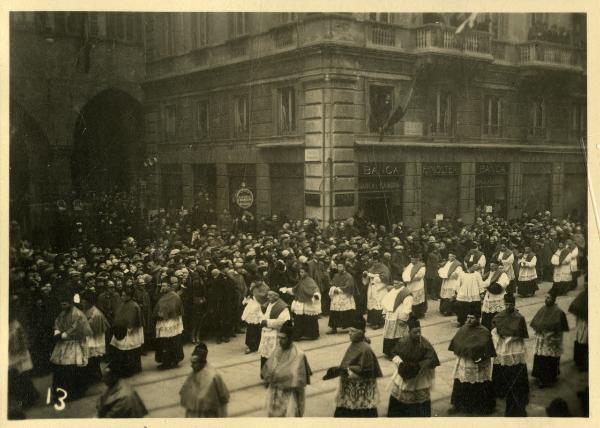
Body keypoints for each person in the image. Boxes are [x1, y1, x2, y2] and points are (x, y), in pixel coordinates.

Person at [387, 315, 440, 417]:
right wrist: (400, 363)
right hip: (403, 373)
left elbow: (431, 359)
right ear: (409, 332)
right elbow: (394, 353)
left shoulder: (425, 344)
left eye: (419, 331)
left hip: (419, 377)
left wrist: (419, 366)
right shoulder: (403, 341)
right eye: (415, 332)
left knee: (419, 400)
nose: (418, 334)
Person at [332, 316, 383, 417]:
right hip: (351, 387)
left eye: (352, 331)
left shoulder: (365, 349)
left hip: (360, 389)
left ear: (360, 333)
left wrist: (347, 371)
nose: (349, 333)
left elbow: (366, 371)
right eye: (349, 330)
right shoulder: (355, 344)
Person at [448, 312, 496, 415]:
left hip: (478, 363)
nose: (469, 320)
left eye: (472, 318)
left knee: (479, 384)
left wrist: (480, 357)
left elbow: (488, 349)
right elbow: (456, 343)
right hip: (465, 361)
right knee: (462, 381)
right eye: (468, 317)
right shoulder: (463, 329)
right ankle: (460, 405)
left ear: (478, 319)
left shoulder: (484, 331)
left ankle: (479, 407)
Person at [262, 320, 312, 417]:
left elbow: (299, 384)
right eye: (278, 338)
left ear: (290, 338)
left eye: (283, 338)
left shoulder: (299, 355)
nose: (279, 341)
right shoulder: (277, 350)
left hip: (289, 397)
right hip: (275, 394)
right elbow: (267, 370)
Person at [50, 291, 93, 402]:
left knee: (71, 367)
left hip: (74, 343)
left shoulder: (77, 314)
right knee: (60, 367)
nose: (63, 306)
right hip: (63, 343)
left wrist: (65, 334)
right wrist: (57, 331)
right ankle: (61, 392)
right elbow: (57, 322)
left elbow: (77, 327)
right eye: (61, 304)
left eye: (65, 304)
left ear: (70, 303)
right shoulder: (63, 313)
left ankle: (74, 392)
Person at [491, 293, 530, 416]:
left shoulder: (519, 317)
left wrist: (510, 338)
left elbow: (521, 333)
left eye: (510, 304)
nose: (508, 307)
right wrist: (498, 335)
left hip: (514, 345)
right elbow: (494, 328)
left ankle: (516, 389)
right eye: (506, 304)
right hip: (502, 345)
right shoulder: (499, 316)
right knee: (501, 366)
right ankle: (501, 389)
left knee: (515, 367)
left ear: (514, 304)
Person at [179, 343, 230, 417]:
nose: (192, 365)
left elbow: (223, 397)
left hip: (208, 413)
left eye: (194, 363)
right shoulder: (193, 374)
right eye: (192, 363)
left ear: (201, 362)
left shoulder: (214, 376)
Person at [531, 291, 569, 388]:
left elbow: (560, 328)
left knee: (550, 358)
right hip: (542, 339)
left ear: (554, 299)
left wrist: (550, 334)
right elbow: (536, 322)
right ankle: (541, 377)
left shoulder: (559, 312)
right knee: (542, 358)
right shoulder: (543, 309)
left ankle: (550, 377)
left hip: (552, 340)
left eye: (548, 297)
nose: (546, 299)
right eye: (545, 297)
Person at [280, 264, 321, 341]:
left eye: (302, 272)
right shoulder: (301, 281)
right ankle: (298, 335)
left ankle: (312, 335)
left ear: (307, 273)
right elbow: (296, 289)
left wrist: (316, 295)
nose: (301, 274)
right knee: (299, 320)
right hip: (300, 303)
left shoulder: (310, 281)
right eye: (300, 272)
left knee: (309, 319)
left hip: (307, 304)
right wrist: (287, 290)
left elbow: (315, 289)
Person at [110, 287, 144, 377]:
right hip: (121, 330)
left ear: (130, 296)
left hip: (130, 331)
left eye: (124, 295)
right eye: (122, 295)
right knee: (123, 351)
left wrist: (128, 329)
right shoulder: (122, 304)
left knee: (130, 351)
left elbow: (132, 320)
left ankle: (131, 370)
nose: (122, 296)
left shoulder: (134, 306)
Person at [153, 278, 185, 370]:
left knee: (172, 341)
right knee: (163, 342)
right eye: (162, 285)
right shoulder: (162, 295)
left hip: (172, 323)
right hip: (163, 322)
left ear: (169, 286)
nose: (162, 287)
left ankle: (173, 361)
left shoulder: (174, 296)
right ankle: (165, 361)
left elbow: (176, 309)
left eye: (164, 285)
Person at [80, 292, 110, 384]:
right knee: (89, 359)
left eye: (84, 302)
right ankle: (92, 376)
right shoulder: (86, 310)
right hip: (89, 338)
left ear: (89, 302)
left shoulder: (96, 314)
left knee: (93, 359)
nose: (82, 303)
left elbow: (92, 328)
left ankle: (95, 376)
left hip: (94, 339)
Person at [259, 291, 291, 373]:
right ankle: (266, 375)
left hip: (275, 335)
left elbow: (282, 321)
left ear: (276, 296)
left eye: (270, 295)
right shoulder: (269, 304)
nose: (267, 297)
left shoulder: (283, 307)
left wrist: (267, 322)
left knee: (275, 355)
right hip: (266, 334)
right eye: (268, 295)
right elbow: (265, 315)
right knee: (266, 356)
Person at [381, 280, 413, 359]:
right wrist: (384, 312)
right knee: (389, 334)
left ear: (401, 283)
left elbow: (407, 307)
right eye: (394, 283)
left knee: (397, 335)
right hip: (390, 316)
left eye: (397, 283)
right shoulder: (392, 290)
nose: (394, 285)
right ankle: (388, 352)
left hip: (398, 317)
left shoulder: (406, 293)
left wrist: (403, 319)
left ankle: (396, 353)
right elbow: (387, 302)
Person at [327, 262, 357, 334]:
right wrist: (333, 289)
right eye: (338, 267)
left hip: (345, 295)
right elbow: (332, 283)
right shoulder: (336, 275)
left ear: (344, 267)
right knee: (334, 310)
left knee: (347, 311)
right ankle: (334, 328)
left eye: (340, 267)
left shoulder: (348, 276)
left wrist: (339, 289)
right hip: (336, 295)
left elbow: (349, 286)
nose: (339, 268)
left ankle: (351, 328)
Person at [241, 280, 269, 354]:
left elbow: (264, 296)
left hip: (256, 310)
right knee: (251, 328)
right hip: (252, 309)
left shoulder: (262, 288)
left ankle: (254, 345)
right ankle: (251, 345)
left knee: (255, 328)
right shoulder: (256, 288)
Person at [365, 250, 390, 329]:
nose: (375, 264)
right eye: (374, 262)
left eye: (376, 262)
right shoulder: (372, 267)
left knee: (378, 304)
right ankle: (371, 320)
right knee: (372, 303)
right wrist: (366, 275)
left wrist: (374, 276)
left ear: (380, 262)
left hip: (380, 288)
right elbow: (368, 277)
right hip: (372, 287)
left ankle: (378, 323)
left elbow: (386, 278)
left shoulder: (384, 268)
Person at [480, 263, 509, 331]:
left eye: (493, 266)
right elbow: (482, 282)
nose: (491, 267)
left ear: (497, 266)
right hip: (489, 297)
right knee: (487, 315)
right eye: (490, 266)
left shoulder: (502, 274)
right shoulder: (488, 274)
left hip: (498, 297)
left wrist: (487, 286)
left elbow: (500, 286)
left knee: (498, 314)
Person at [568, 282, 588, 371]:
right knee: (582, 339)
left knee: (583, 339)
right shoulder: (583, 295)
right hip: (582, 321)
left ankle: (582, 361)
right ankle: (581, 361)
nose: (585, 285)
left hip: (585, 321)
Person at [401, 254, 427, 319]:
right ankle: (411, 313)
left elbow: (419, 276)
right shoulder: (410, 265)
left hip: (417, 285)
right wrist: (406, 277)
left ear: (417, 259)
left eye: (413, 259)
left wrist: (409, 278)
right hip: (409, 285)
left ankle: (418, 314)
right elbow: (405, 272)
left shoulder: (421, 266)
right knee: (410, 299)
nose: (411, 260)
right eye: (411, 259)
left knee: (417, 300)